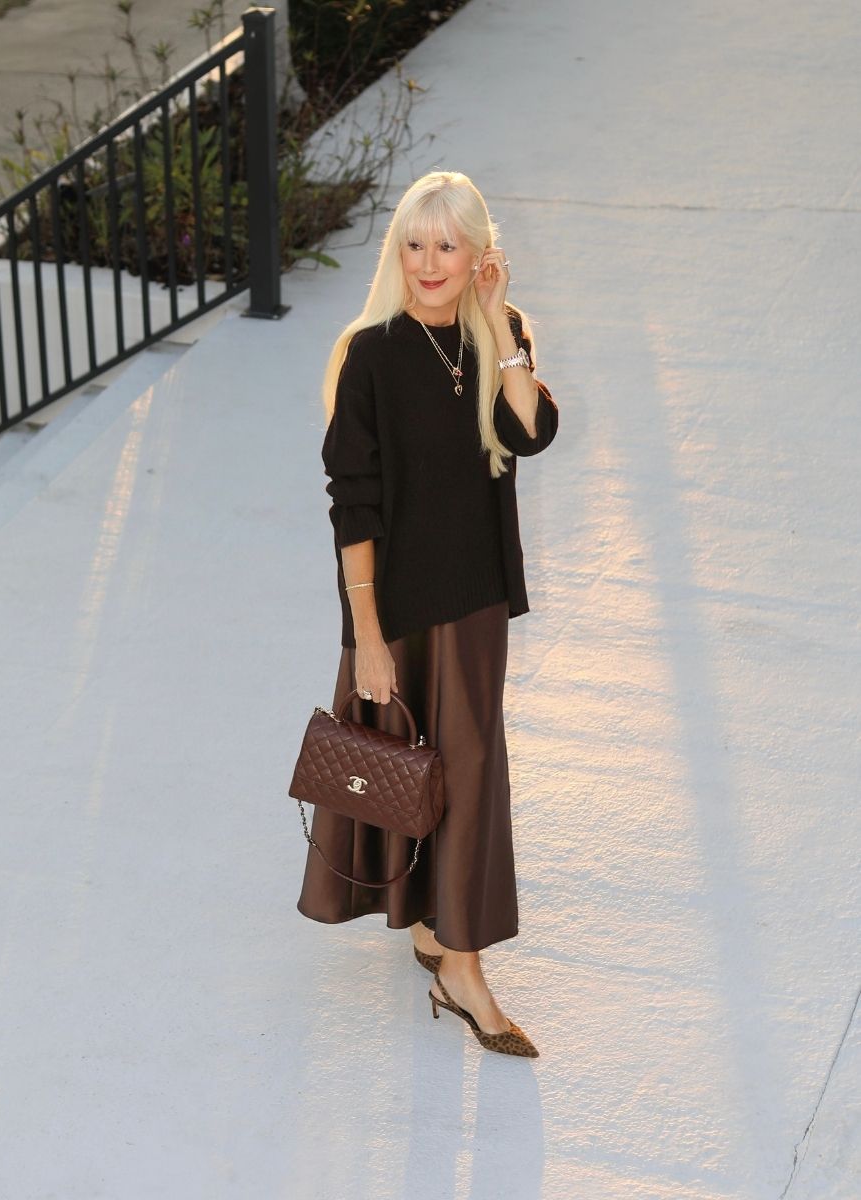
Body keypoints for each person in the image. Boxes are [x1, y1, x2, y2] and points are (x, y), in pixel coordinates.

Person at [296, 170, 558, 1057]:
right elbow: (354, 507)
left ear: (478, 254)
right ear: (396, 252)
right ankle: (441, 945)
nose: (429, 263)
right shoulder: (371, 354)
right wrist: (366, 637)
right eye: (415, 244)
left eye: (449, 246)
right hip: (398, 611)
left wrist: (505, 326)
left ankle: (459, 957)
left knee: (470, 775)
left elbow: (531, 432)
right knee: (408, 769)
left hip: (476, 601)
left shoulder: (498, 337)